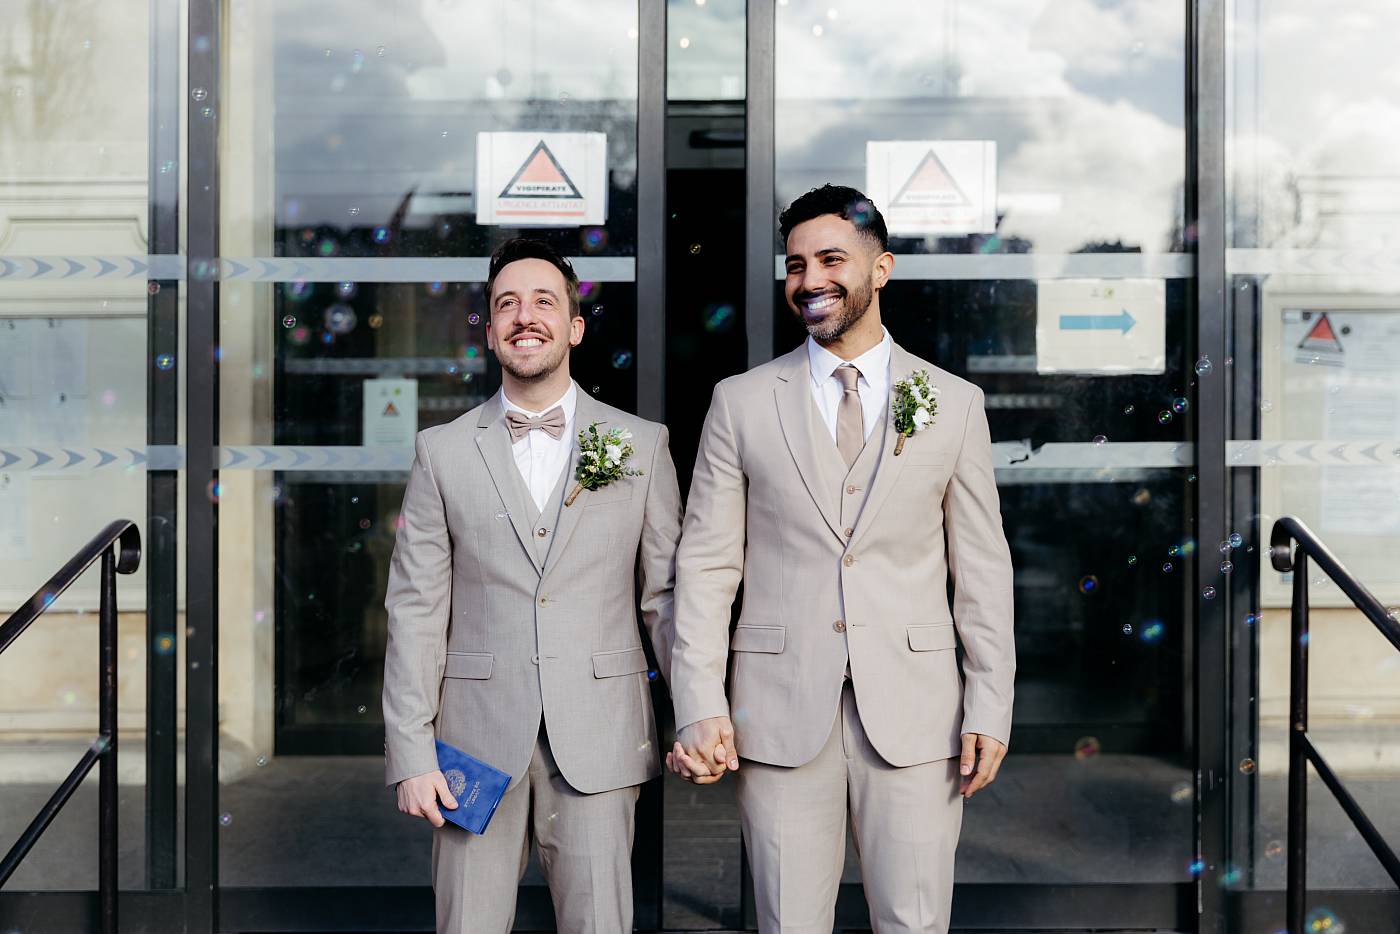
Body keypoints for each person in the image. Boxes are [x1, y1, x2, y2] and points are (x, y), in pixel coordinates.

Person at [667, 185, 1016, 933]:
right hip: (778, 711)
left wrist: (991, 703)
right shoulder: (741, 402)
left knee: (914, 922)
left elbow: (982, 569)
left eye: (831, 259)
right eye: (795, 265)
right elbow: (706, 567)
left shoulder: (954, 403)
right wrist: (699, 700)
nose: (810, 280)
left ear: (881, 269)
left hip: (919, 714)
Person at [382, 237, 682, 933]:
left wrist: (698, 714)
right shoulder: (441, 451)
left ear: (574, 327)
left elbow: (665, 599)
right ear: (490, 332)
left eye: (544, 302)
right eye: (506, 304)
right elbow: (416, 610)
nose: (525, 316)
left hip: (601, 736)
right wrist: (411, 751)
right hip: (472, 745)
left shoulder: (641, 445)